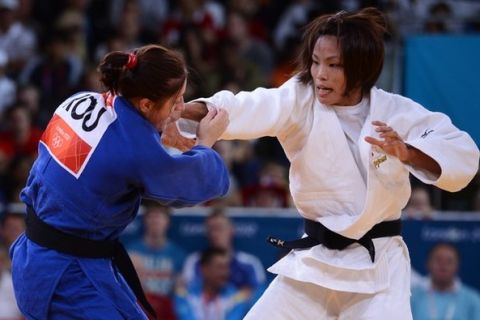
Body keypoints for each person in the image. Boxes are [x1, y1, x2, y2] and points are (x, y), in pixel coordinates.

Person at [178, 7, 480, 319]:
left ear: (361, 69)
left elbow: (463, 153)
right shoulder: (300, 98)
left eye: (333, 65)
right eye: (316, 61)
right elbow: (245, 106)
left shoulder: (396, 112)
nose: (320, 74)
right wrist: (181, 110)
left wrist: (407, 152)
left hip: (379, 269)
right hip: (314, 262)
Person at [9, 44, 230, 320]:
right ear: (146, 104)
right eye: (177, 102)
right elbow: (198, 183)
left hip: (35, 256)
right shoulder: (136, 150)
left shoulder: (82, 100)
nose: (181, 108)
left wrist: (159, 127)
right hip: (66, 278)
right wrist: (206, 142)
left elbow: (107, 152)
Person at [182, 208, 266, 295]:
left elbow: (260, 294)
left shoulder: (250, 263)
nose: (214, 234)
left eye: (219, 228)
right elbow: (187, 293)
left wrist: (237, 302)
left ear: (231, 230)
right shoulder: (194, 261)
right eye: (210, 229)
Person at [127, 200, 186, 320]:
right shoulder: (131, 251)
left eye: (159, 217)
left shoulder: (178, 254)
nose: (155, 221)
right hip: (140, 309)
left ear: (167, 222)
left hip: (168, 310)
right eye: (152, 217)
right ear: (145, 221)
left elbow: (180, 290)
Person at [175, 247, 250, 320]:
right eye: (220, 267)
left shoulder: (237, 297)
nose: (225, 273)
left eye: (226, 267)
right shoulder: (185, 295)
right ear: (204, 269)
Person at [411, 242, 480, 320]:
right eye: (438, 260)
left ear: (457, 266)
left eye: (449, 261)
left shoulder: (473, 299)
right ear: (428, 263)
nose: (443, 266)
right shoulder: (411, 297)